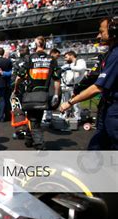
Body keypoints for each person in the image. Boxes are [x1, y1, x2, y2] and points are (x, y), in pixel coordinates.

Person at [60, 17, 118, 150]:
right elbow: (93, 77)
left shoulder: (116, 54)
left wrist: (70, 102)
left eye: (101, 31)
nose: (98, 36)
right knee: (96, 147)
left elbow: (97, 87)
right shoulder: (109, 53)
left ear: (114, 32)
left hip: (114, 108)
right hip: (107, 106)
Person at [14, 36, 61, 150]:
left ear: (35, 45)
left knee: (34, 120)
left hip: (31, 94)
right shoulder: (52, 59)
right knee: (35, 117)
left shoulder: (29, 58)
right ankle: (29, 140)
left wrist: (15, 89)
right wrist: (56, 94)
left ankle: (40, 145)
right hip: (44, 93)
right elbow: (57, 79)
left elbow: (19, 76)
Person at [60, 50, 87, 119]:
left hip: (76, 86)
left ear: (71, 55)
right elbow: (61, 71)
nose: (65, 59)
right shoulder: (67, 65)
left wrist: (70, 68)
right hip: (66, 87)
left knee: (75, 103)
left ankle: (77, 117)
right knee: (65, 102)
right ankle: (65, 115)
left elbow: (82, 68)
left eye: (66, 57)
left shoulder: (80, 61)